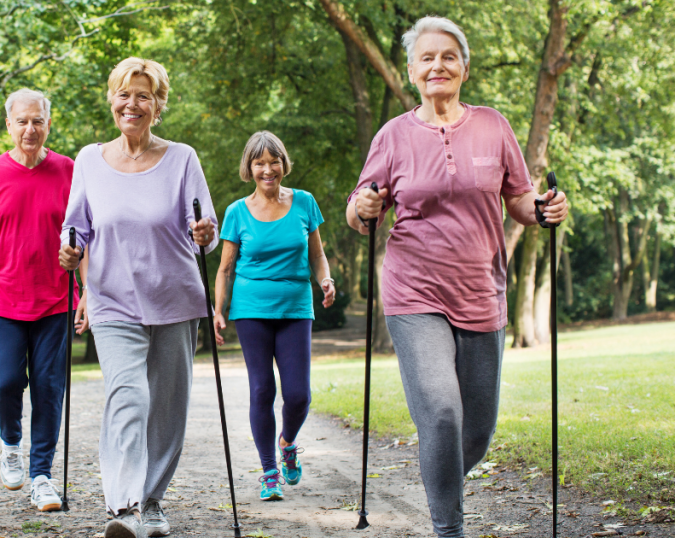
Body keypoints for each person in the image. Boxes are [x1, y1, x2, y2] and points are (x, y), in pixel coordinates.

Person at [346, 17, 569, 538]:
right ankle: (449, 528)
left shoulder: (493, 126)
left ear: (464, 68)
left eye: (448, 56)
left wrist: (542, 209)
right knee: (442, 414)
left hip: (482, 291)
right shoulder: (393, 136)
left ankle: (437, 475)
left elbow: (519, 198)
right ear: (411, 71)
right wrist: (363, 205)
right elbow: (360, 215)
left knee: (476, 432)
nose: (437, 66)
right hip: (413, 291)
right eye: (427, 58)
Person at [58, 57, 218, 538]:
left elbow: (204, 234)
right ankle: (124, 506)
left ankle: (151, 502)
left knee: (167, 407)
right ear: (112, 100)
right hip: (112, 300)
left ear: (158, 105)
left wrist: (205, 232)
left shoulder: (182, 158)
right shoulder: (89, 160)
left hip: (174, 298)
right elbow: (76, 228)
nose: (133, 104)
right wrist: (70, 253)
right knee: (127, 396)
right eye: (124, 94)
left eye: (144, 96)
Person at [0, 88, 76, 512]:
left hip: (56, 298)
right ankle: (11, 443)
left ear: (48, 123)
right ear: (8, 125)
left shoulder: (68, 171)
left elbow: (86, 235)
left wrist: (87, 290)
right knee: (6, 381)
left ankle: (41, 475)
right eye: (22, 121)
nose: (30, 129)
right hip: (4, 298)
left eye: (38, 121)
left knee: (49, 387)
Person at [212, 131, 335, 502]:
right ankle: (269, 470)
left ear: (284, 164)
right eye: (259, 163)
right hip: (251, 310)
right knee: (262, 388)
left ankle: (288, 442)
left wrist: (325, 279)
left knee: (299, 395)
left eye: (274, 161)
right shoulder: (236, 211)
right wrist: (218, 310)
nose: (268, 169)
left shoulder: (304, 203)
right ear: (249, 168)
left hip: (296, 307)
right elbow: (225, 268)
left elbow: (316, 254)